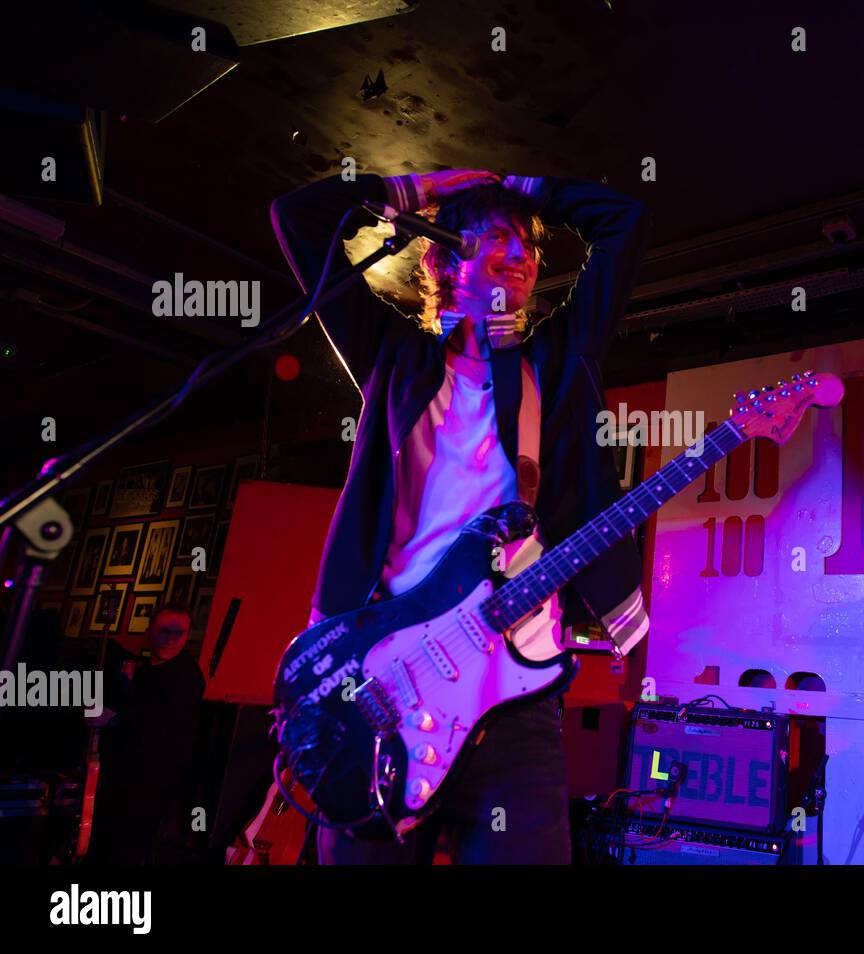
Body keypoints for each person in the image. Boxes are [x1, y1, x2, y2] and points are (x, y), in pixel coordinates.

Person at [269, 165, 652, 863]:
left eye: (528, 249)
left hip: (515, 686)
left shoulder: (560, 363)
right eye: (496, 241)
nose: (522, 257)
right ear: (444, 261)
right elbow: (298, 215)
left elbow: (627, 221)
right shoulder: (395, 360)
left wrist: (536, 191)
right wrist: (423, 188)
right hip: (387, 677)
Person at [87, 605, 205, 864]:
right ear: (150, 631)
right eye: (165, 631)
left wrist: (113, 719)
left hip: (147, 787)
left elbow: (159, 732)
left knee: (125, 851)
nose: (172, 639)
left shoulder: (186, 676)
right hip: (123, 780)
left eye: (179, 633)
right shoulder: (146, 670)